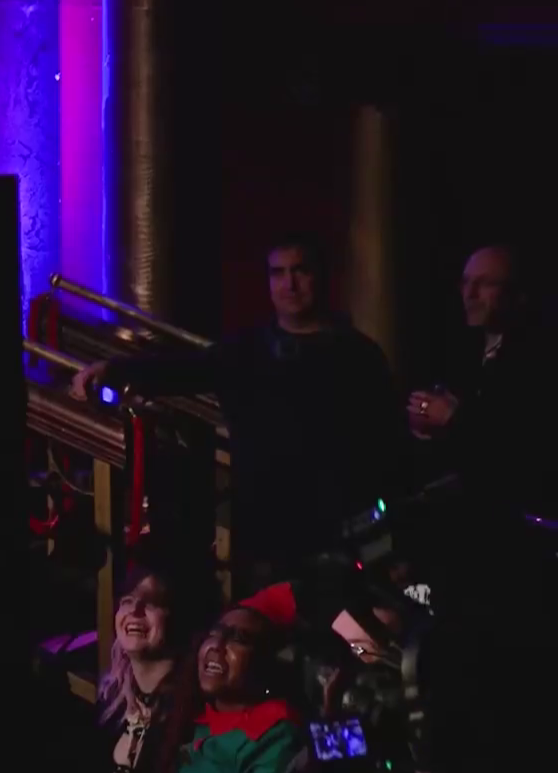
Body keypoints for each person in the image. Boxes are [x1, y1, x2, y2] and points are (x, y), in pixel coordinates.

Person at [71, 236, 405, 591]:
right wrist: (113, 370)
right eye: (278, 273)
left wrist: (391, 542)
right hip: (267, 532)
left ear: (320, 276)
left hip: (342, 531)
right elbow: (180, 369)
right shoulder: (246, 350)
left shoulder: (358, 355)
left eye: (300, 271)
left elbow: (388, 445)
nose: (289, 284)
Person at [36, 553, 216, 773]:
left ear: (180, 617)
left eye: (152, 602)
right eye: (127, 600)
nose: (135, 610)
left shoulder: (199, 714)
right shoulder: (113, 701)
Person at [406, 245, 547, 515]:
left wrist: (453, 418)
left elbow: (523, 450)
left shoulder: (539, 357)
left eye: (484, 284)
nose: (469, 294)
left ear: (517, 294)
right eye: (465, 283)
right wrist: (423, 424)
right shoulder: (460, 352)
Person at [147, 603, 305, 773]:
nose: (216, 645)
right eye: (213, 634)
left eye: (238, 638)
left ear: (264, 662)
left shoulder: (274, 736)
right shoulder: (188, 717)